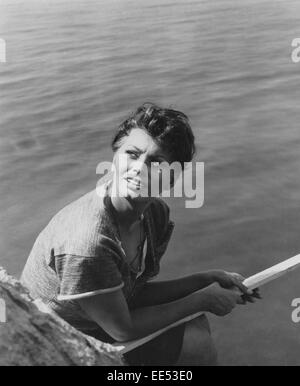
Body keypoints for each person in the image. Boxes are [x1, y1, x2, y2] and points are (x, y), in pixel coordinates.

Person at [21, 102, 260, 365]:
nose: (139, 168)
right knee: (196, 345)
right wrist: (202, 300)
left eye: (156, 162)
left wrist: (204, 280)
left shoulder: (153, 214)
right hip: (61, 346)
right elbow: (122, 329)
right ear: (114, 157)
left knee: (195, 326)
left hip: (100, 321)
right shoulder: (88, 243)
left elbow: (128, 295)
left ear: (172, 177)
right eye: (132, 154)